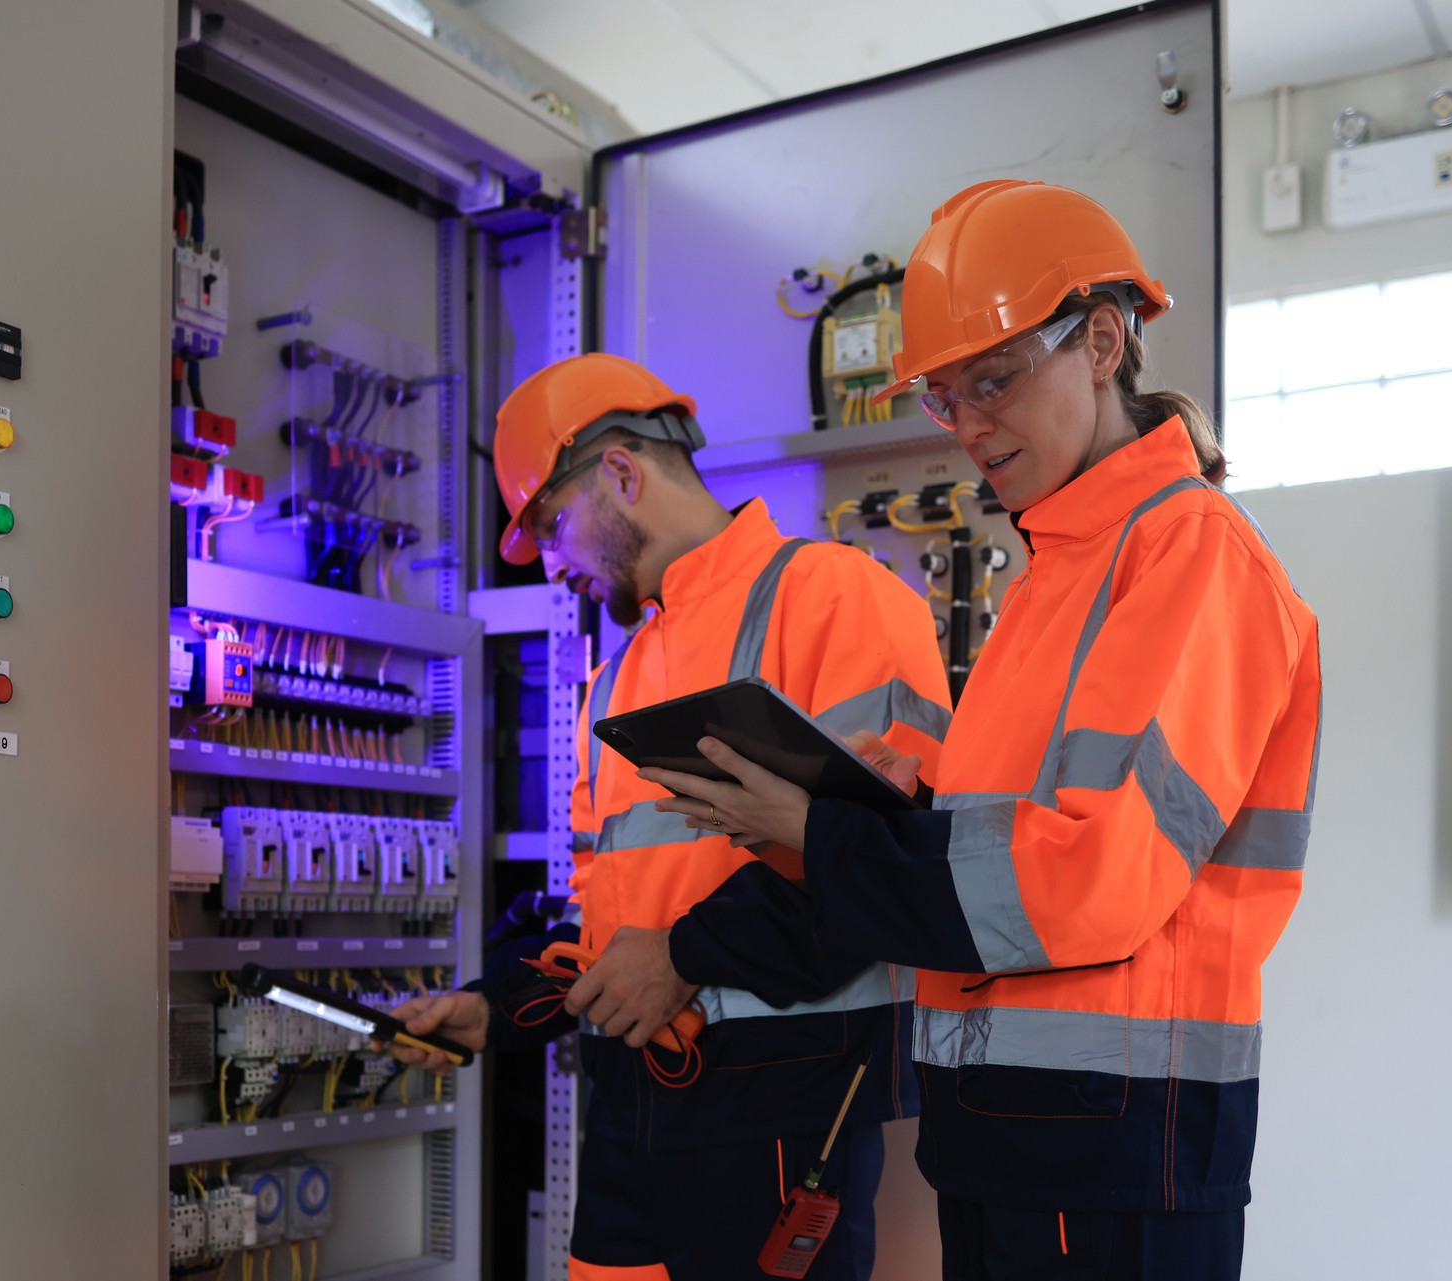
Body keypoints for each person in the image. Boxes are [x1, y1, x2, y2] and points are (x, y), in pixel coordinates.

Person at [563, 181, 1323, 1281]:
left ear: (1103, 342)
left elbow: (1095, 877)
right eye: (943, 399)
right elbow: (1010, 843)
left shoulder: (1193, 555)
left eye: (994, 383)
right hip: (1010, 1141)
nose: (969, 429)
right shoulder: (1055, 577)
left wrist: (823, 833)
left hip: (1115, 1148)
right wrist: (890, 810)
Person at [387, 353, 954, 1280]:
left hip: (781, 1107)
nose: (555, 563)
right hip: (627, 1115)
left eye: (552, 526)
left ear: (619, 472)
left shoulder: (836, 598)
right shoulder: (611, 681)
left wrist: (682, 956)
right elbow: (601, 916)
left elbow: (883, 861)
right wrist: (495, 1008)